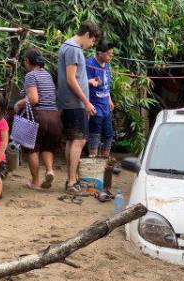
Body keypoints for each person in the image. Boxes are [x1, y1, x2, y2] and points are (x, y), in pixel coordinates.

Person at [57, 21, 101, 195]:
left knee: (72, 140)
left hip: (70, 102)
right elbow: (71, 79)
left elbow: (74, 78)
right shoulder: (74, 48)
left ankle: (71, 179)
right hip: (75, 103)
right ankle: (72, 182)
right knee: (79, 141)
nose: (91, 45)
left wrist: (87, 82)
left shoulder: (67, 46)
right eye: (93, 41)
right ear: (88, 34)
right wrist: (87, 102)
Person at [16, 48, 62, 190]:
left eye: (25, 60)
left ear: (29, 61)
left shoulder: (31, 75)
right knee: (47, 146)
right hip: (54, 117)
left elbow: (34, 99)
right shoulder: (47, 74)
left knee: (32, 149)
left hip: (39, 116)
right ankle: (49, 170)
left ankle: (35, 182)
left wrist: (19, 103)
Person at [86, 42, 115, 158]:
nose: (110, 57)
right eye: (109, 54)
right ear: (99, 53)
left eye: (112, 54)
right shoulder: (90, 64)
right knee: (95, 134)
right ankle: (93, 159)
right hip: (94, 105)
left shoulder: (107, 65)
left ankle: (104, 160)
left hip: (105, 105)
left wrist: (109, 99)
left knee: (108, 134)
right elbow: (82, 83)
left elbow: (106, 85)